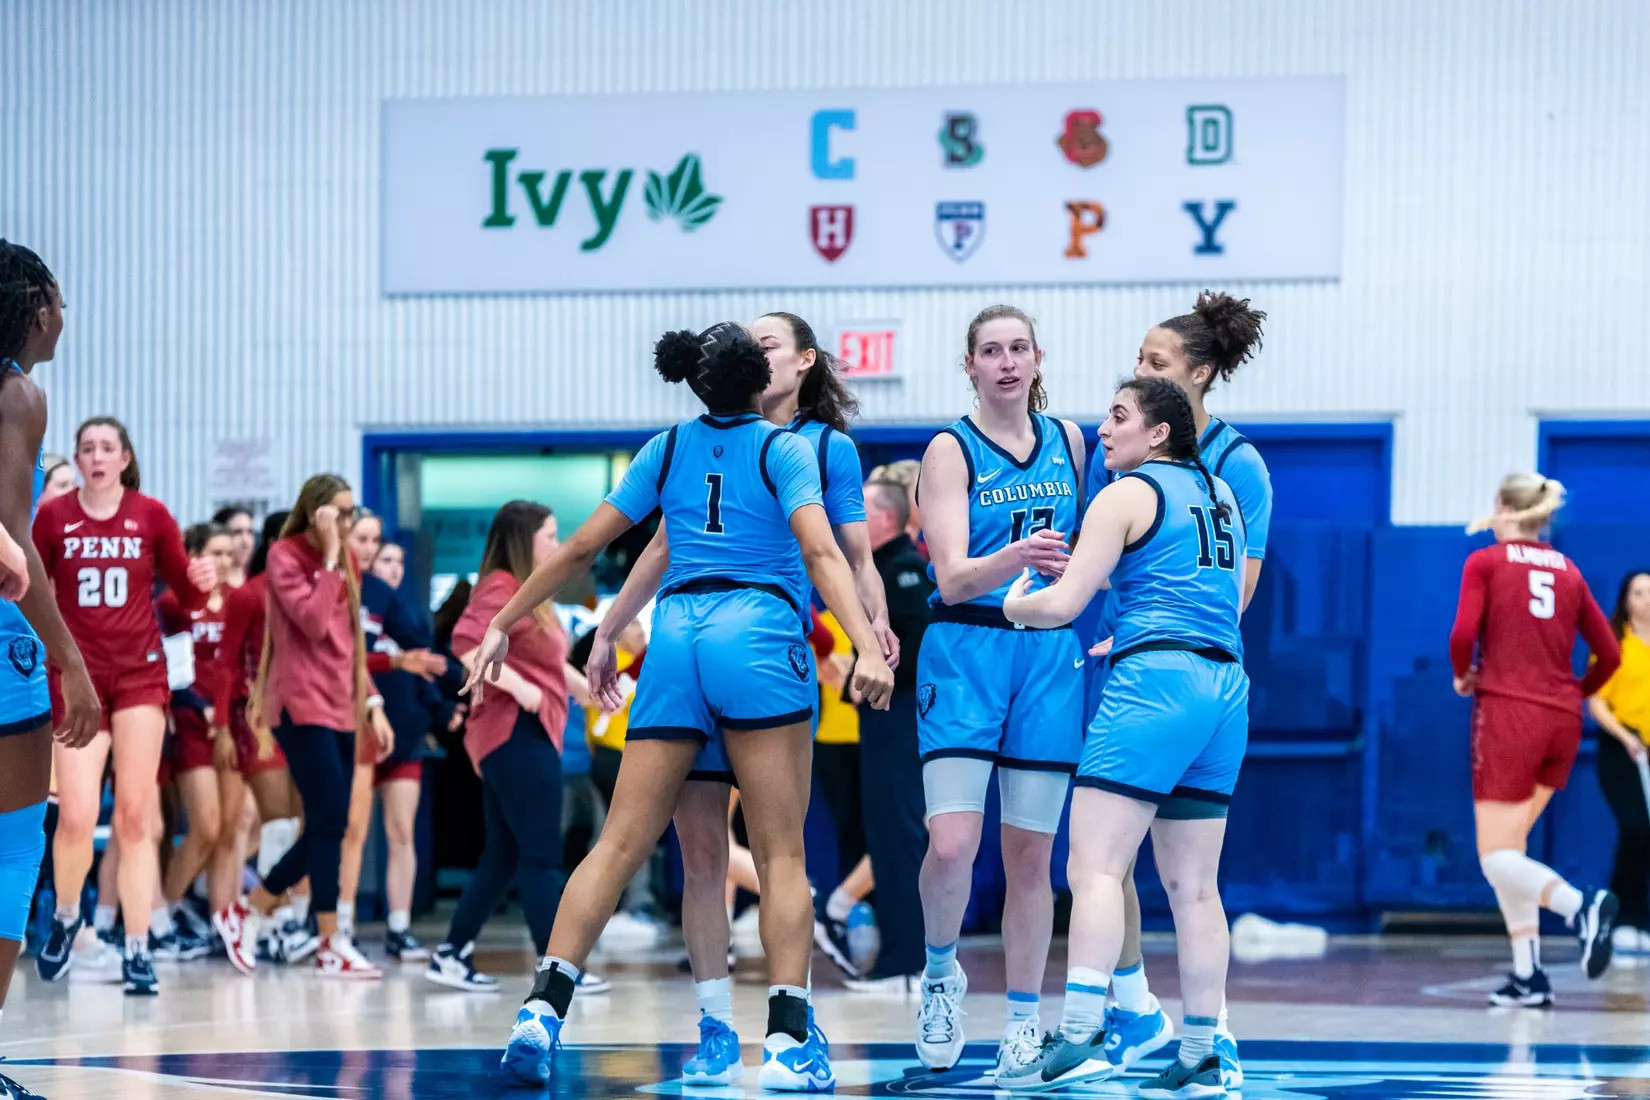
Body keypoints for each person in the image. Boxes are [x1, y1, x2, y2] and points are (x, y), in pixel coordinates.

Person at [473, 323, 894, 1091]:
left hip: (676, 642)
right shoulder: (786, 448)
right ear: (755, 378)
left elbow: (582, 551)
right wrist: (866, 643)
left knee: (635, 846)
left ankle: (547, 1009)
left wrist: (506, 621)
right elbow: (822, 552)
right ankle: (788, 1045)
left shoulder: (666, 448)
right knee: (780, 856)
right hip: (756, 637)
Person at [995, 377, 1247, 1097]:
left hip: (1156, 683)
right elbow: (1193, 583)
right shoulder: (1220, 494)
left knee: (1096, 868)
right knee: (1196, 889)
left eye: (1118, 416)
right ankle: (1202, 1053)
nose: (1102, 430)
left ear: (1158, 431)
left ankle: (1079, 1037)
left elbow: (1062, 605)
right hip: (1225, 686)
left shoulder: (1125, 492)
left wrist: (1016, 605)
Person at [1078, 291, 1270, 1088]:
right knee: (1116, 856)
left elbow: (1238, 589)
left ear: (1201, 373)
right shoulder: (1123, 446)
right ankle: (1136, 1008)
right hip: (1135, 657)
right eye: (1138, 358)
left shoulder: (1237, 465)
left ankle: (1201, 1030)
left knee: (1140, 865)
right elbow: (1106, 558)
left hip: (1175, 664)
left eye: (1156, 361)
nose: (1140, 369)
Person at [912, 305, 1086, 1079]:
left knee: (1032, 854)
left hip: (1047, 652)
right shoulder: (950, 450)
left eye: (1019, 348)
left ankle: (1023, 1023)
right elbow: (951, 578)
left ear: (1038, 359)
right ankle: (939, 972)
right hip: (966, 648)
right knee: (953, 843)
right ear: (971, 366)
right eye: (991, 350)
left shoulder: (1071, 441)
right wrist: (1016, 554)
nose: (1007, 361)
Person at [32, 416, 216, 994]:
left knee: (136, 816)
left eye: (106, 447)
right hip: (76, 677)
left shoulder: (151, 514)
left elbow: (188, 596)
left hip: (139, 675)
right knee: (77, 814)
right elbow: (29, 590)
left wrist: (202, 577)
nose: (95, 456)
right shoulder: (53, 517)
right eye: (86, 447)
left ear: (124, 458)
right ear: (77, 459)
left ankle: (138, 947)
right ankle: (67, 917)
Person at [212, 474, 394, 979]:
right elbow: (312, 622)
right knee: (330, 818)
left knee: (328, 825)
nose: (349, 521)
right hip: (297, 703)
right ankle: (320, 936)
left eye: (352, 512)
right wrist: (331, 557)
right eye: (341, 512)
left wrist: (372, 702)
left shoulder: (347, 559)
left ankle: (258, 913)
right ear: (316, 514)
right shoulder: (284, 556)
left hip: (341, 703)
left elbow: (351, 642)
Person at [1450, 475, 1621, 1007]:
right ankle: (1529, 976)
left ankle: (1580, 906)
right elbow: (1611, 653)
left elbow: (1462, 634)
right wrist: (1575, 693)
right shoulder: (1568, 569)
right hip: (1561, 721)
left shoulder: (1485, 561)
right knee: (1512, 852)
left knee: (1495, 858)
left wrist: (1462, 674)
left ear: (1502, 507)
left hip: (1509, 713)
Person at [424, 501, 606, 994]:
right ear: (525, 540)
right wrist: (519, 687)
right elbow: (465, 644)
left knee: (504, 853)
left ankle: (452, 952)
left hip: (522, 735)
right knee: (541, 853)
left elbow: (545, 663)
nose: (557, 544)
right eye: (549, 535)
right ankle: (557, 968)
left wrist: (584, 688)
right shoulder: (499, 587)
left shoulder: (532, 592)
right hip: (513, 734)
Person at [0, 240, 101, 1100]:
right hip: (6, 644)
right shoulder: (19, 394)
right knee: (12, 849)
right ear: (35, 308)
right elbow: (12, 537)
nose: (65, 316)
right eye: (60, 301)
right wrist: (72, 660)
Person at [335, 510, 448, 955]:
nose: (387, 565)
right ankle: (339, 924)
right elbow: (347, 660)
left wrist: (445, 705)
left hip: (401, 732)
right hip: (353, 728)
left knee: (402, 830)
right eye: (367, 545)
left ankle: (399, 927)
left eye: (379, 546)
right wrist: (396, 660)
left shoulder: (390, 602)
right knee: (351, 829)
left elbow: (424, 654)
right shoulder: (335, 588)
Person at [844, 476, 935, 991]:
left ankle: (906, 960)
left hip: (900, 720)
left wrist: (875, 674)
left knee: (898, 835)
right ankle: (901, 955)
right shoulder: (875, 569)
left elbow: (922, 650)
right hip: (883, 719)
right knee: (883, 834)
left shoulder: (902, 570)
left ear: (884, 517)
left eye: (861, 507)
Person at [208, 511, 304, 964]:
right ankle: (263, 922)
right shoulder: (250, 594)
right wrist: (222, 727)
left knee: (298, 823)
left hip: (303, 718)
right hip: (256, 719)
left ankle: (276, 919)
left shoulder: (308, 592)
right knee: (274, 823)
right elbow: (225, 664)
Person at [154, 522, 240, 958]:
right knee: (204, 825)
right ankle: (165, 915)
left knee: (229, 830)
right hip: (191, 723)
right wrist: (198, 706)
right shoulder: (174, 603)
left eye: (228, 553)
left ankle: (223, 922)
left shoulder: (240, 601)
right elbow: (170, 671)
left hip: (231, 726)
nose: (224, 561)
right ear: (193, 556)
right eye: (214, 553)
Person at [1590, 570, 1650, 951]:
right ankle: (1622, 916)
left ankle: (1640, 920)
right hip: (1622, 749)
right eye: (1639, 593)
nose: (1647, 600)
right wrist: (1627, 738)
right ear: (1626, 600)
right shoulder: (1613, 645)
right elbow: (1596, 700)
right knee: (1636, 827)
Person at [212, 505, 257, 588]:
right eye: (237, 533)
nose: (245, 541)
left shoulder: (261, 584)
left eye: (250, 532)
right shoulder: (209, 587)